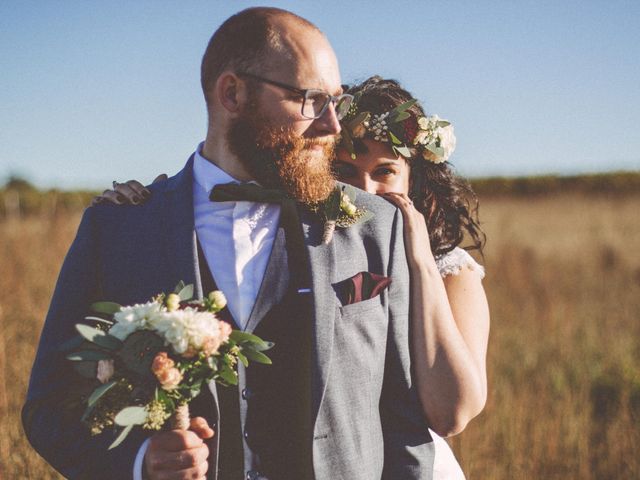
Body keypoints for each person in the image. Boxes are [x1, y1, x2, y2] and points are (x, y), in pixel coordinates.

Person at [23, 7, 437, 480]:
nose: (332, 127)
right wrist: (138, 464)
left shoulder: (372, 225)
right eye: (311, 100)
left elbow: (405, 421)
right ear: (232, 93)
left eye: (335, 102)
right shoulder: (118, 230)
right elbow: (49, 409)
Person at [98, 77, 490, 479]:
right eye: (344, 171)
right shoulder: (290, 238)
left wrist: (420, 259)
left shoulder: (449, 268)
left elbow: (452, 413)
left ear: (414, 177)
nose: (363, 190)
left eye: (385, 172)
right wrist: (149, 204)